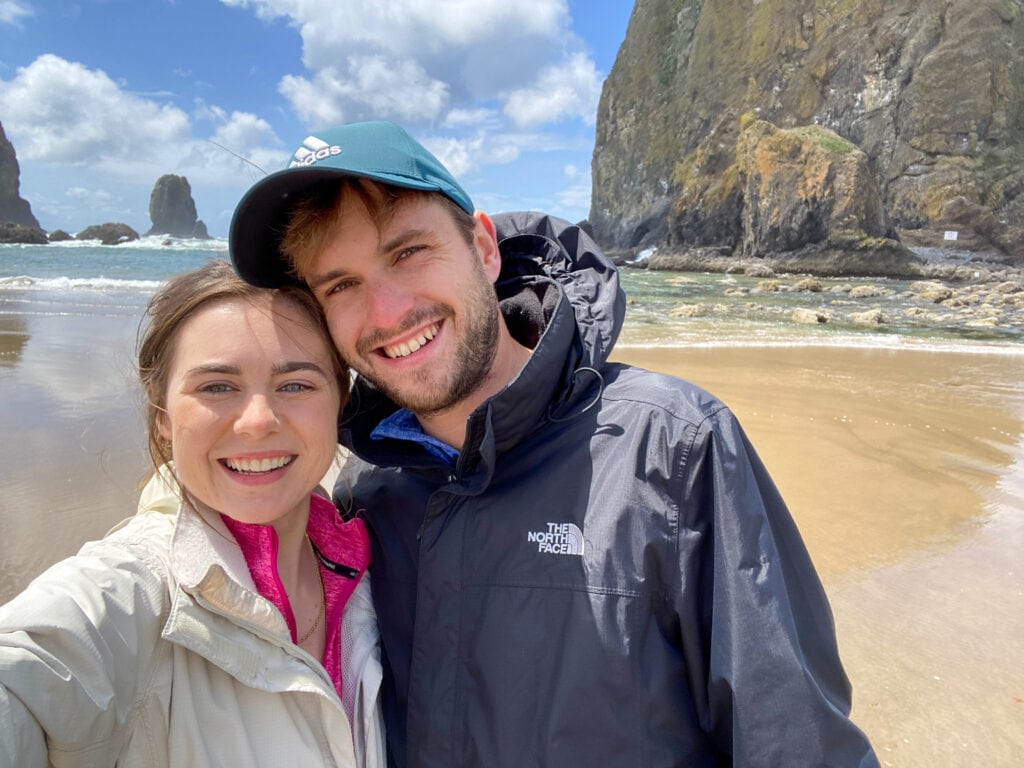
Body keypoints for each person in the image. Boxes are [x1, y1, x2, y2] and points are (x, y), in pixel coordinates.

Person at [229, 121, 879, 767]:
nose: (387, 311)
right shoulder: (365, 497)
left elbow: (799, 744)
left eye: (408, 252)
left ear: (484, 248)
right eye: (341, 285)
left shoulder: (674, 449)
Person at [0, 260, 385, 767]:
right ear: (163, 416)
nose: (258, 422)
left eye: (296, 385)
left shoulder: (378, 559)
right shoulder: (127, 594)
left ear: (340, 403)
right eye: (216, 387)